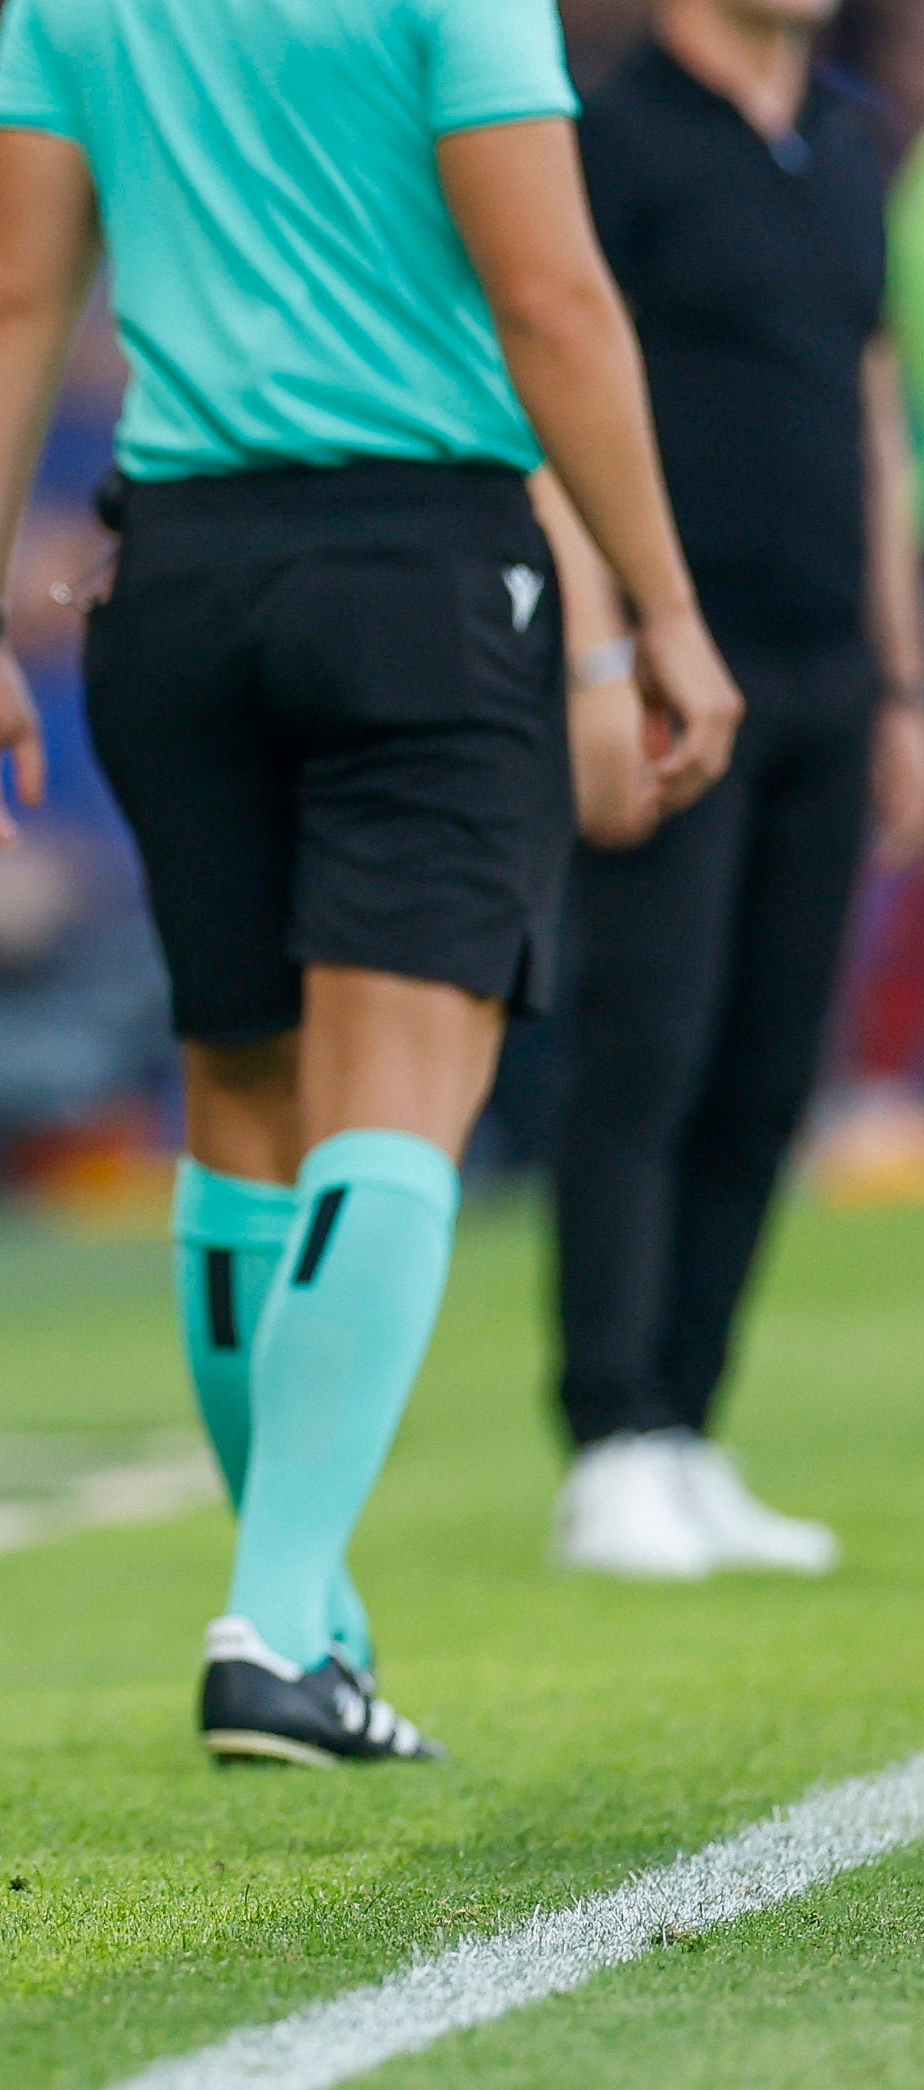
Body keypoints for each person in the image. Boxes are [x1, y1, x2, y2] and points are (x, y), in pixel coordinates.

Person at [0, 0, 745, 1764]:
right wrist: (664, 612)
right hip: (423, 572)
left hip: (180, 589)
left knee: (244, 1108)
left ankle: (310, 1612)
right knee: (399, 1107)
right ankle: (280, 1623)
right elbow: (552, 298)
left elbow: (8, 307)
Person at [544, 0, 924, 1581]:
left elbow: (866, 413)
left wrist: (900, 682)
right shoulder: (610, 139)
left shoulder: (844, 139)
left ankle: (690, 1423)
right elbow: (544, 402)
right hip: (672, 669)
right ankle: (610, 1433)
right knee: (646, 1049)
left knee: (772, 1064)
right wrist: (597, 653)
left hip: (829, 673)